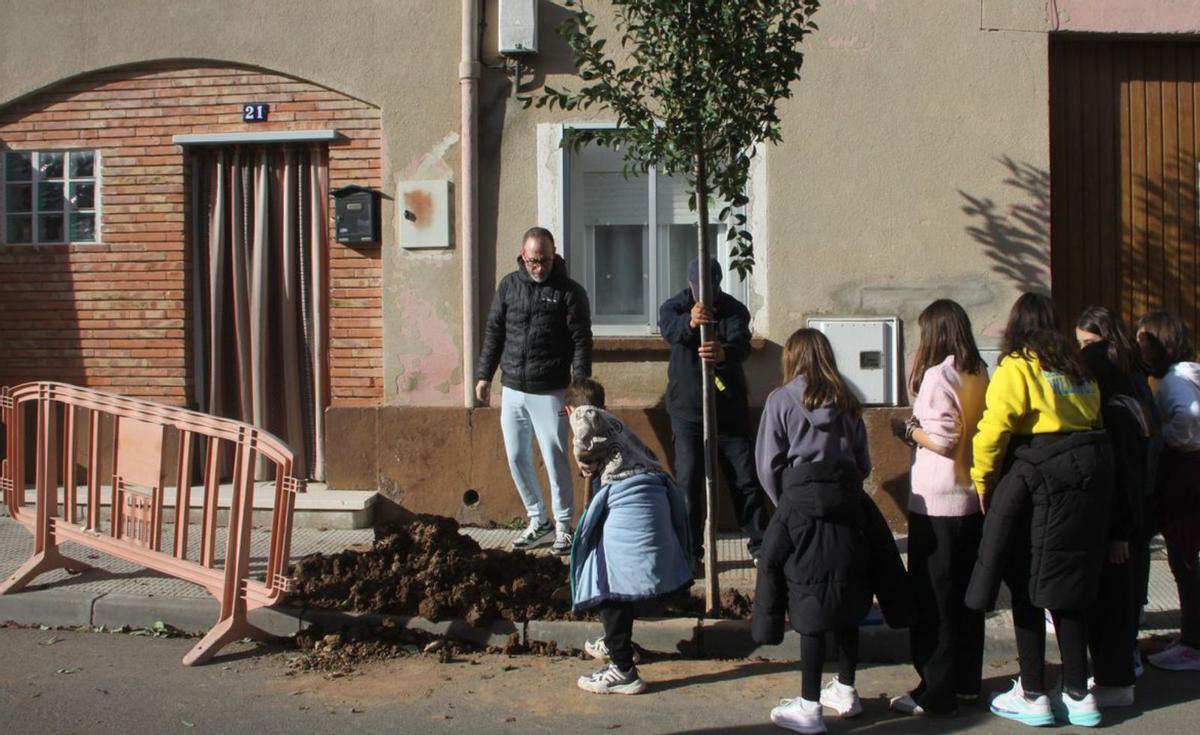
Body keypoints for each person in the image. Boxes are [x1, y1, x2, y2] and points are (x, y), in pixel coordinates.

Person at [965, 292, 1112, 728]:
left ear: (1017, 325)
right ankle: (1079, 693)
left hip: (1039, 481)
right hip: (1085, 482)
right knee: (1068, 589)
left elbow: (993, 430)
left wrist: (982, 482)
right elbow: (1094, 418)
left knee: (1029, 587)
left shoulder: (1019, 366)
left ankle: (1032, 692)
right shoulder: (1076, 368)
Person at [753, 328, 909, 734]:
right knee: (848, 592)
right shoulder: (848, 401)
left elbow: (767, 463)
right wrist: (844, 487)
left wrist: (789, 500)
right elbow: (863, 463)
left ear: (792, 358)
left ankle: (808, 706)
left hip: (800, 507)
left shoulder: (780, 400)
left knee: (809, 599)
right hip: (848, 506)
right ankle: (846, 688)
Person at [888, 299, 990, 716]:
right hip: (971, 498)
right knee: (967, 600)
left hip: (938, 502)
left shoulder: (938, 375)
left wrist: (911, 431)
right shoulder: (978, 370)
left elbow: (944, 440)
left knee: (935, 602)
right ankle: (966, 684)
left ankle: (934, 690)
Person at [564, 377, 694, 694]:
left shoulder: (585, 415)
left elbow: (583, 427)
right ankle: (617, 644)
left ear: (568, 408)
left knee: (608, 582)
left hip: (630, 504)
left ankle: (623, 670)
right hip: (652, 496)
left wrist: (583, 460)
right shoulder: (618, 427)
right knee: (623, 580)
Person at [476, 227, 592, 555]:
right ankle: (538, 519)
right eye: (532, 261)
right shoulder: (509, 286)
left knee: (555, 459)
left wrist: (579, 390)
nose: (538, 267)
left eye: (544, 260)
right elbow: (495, 331)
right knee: (515, 456)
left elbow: (582, 342)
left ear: (554, 256)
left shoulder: (570, 292)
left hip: (552, 390)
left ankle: (564, 525)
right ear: (522, 256)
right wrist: (484, 375)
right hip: (512, 387)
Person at [659, 257, 766, 568]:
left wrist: (723, 352)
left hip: (728, 408)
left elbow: (741, 346)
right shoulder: (674, 307)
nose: (705, 295)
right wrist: (690, 323)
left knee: (744, 478)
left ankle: (761, 546)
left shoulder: (734, 310)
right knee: (689, 481)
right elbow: (670, 331)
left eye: (711, 288)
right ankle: (690, 554)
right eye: (698, 289)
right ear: (690, 284)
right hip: (687, 410)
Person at [1076, 306, 1159, 704]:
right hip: (1123, 524)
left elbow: (1126, 476)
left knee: (1114, 608)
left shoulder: (1116, 413)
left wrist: (1122, 531)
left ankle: (1117, 681)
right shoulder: (1124, 406)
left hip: (1121, 527)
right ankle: (1117, 675)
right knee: (1115, 604)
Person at [1135, 311, 1200, 672]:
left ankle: (1193, 642)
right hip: (1188, 469)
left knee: (1184, 556)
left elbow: (1188, 420)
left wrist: (1163, 437)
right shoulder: (1190, 373)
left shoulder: (1175, 381)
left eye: (1144, 339)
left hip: (1183, 471)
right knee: (1185, 555)